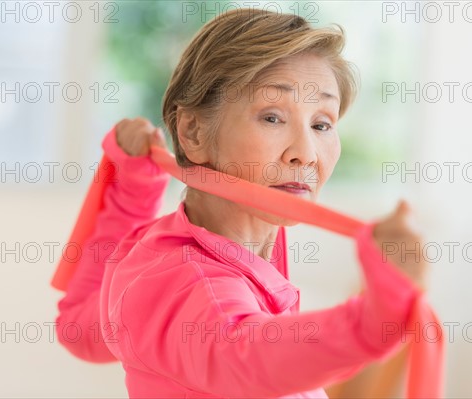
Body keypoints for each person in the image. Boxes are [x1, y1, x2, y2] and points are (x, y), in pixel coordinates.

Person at [55, 8, 428, 398]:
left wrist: (133, 188)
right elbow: (247, 355)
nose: (306, 153)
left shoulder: (250, 242)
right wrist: (375, 317)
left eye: (321, 124)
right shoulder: (184, 280)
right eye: (271, 117)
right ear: (193, 132)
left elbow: (81, 329)